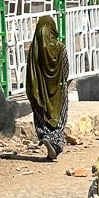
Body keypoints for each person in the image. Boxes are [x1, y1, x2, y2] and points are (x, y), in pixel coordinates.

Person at [25, 16, 70, 161]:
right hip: (59, 92)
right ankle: (55, 144)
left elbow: (30, 72)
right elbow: (65, 70)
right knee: (59, 119)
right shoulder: (60, 47)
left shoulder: (34, 49)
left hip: (38, 92)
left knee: (42, 117)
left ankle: (45, 137)